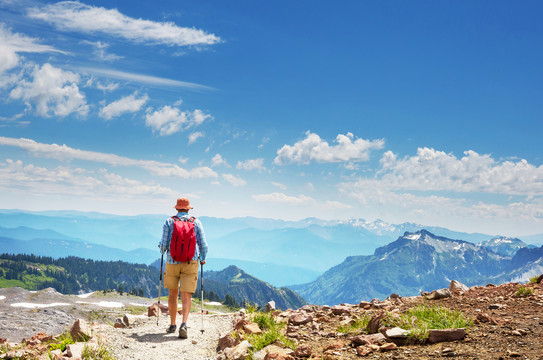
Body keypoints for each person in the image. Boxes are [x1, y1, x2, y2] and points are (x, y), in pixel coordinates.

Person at [158, 197, 208, 339]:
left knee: (172, 294)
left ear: (176, 208)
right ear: (188, 208)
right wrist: (203, 259)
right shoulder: (196, 222)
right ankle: (184, 324)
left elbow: (163, 245)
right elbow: (203, 245)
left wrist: (162, 250)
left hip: (172, 262)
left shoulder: (169, 221)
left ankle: (172, 324)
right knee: (186, 295)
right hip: (190, 262)